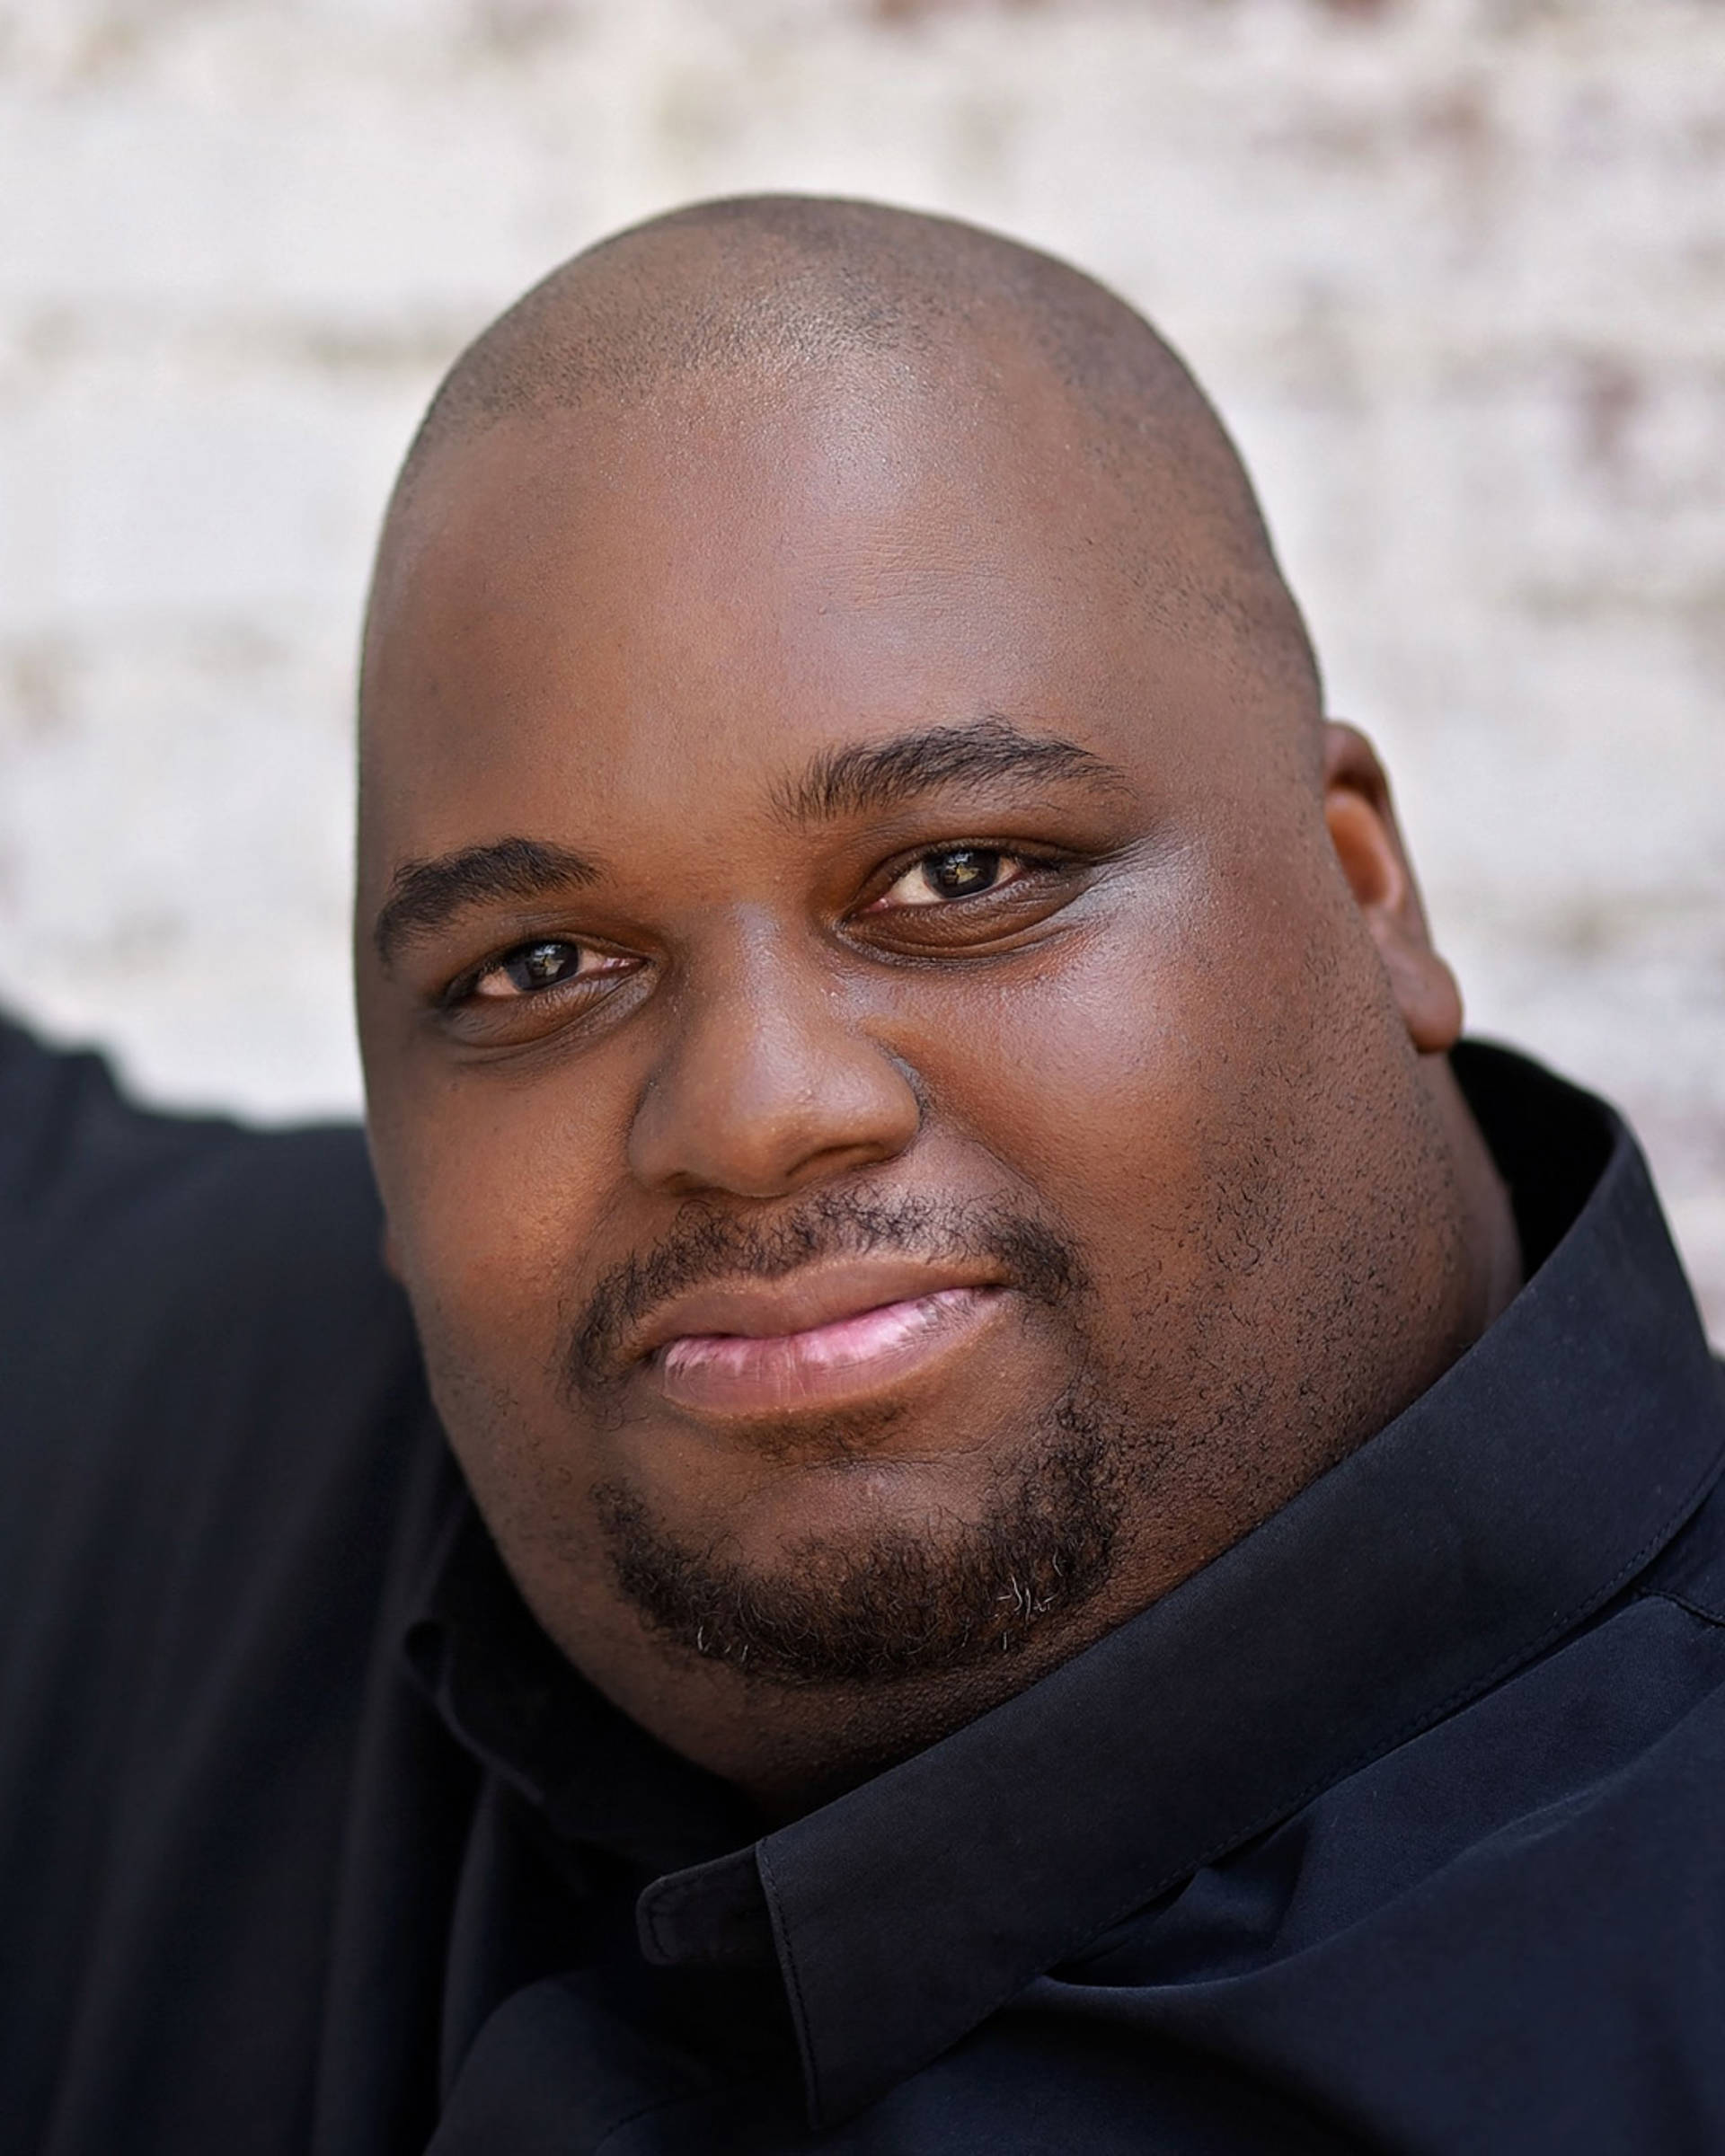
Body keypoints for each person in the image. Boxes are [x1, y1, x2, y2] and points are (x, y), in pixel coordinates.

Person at [3, 196, 1720, 2156]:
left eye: (960, 875)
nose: (750, 1112)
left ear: (1362, 888)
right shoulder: (215, 1479)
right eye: (538, 970)